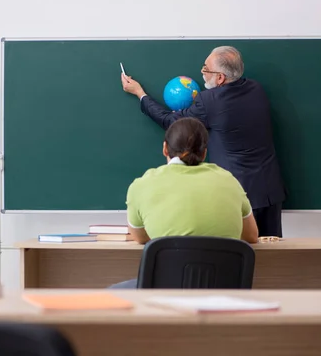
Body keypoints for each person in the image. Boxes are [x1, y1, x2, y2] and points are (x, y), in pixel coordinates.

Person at [121, 46, 286, 238]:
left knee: (239, 257)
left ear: (220, 78)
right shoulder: (256, 89)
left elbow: (170, 122)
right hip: (270, 191)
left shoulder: (209, 101)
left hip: (238, 195)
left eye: (206, 69)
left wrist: (140, 94)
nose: (202, 72)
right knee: (272, 258)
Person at [109, 117, 258, 289]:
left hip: (165, 291)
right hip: (223, 291)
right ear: (204, 152)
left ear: (165, 148)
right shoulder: (229, 180)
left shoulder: (142, 185)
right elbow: (251, 236)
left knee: (113, 292)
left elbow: (141, 237)